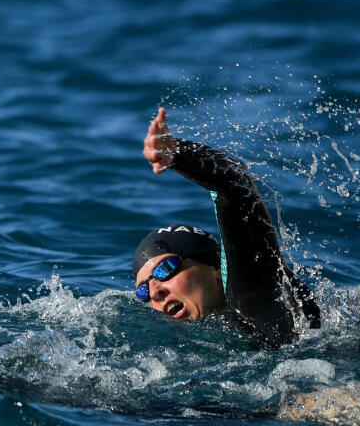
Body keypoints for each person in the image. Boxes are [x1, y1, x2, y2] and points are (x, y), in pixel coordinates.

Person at [133, 108, 322, 348]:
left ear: (216, 269)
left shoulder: (255, 299)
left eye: (165, 269)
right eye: (142, 292)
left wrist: (176, 153)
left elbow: (235, 185)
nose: (154, 292)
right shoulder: (210, 337)